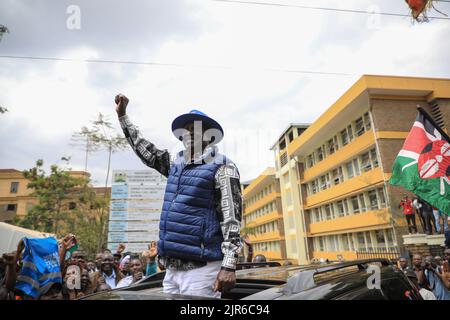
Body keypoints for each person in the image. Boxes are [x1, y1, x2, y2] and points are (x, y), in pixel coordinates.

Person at [115, 94, 243, 298]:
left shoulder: (223, 167)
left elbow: (232, 220)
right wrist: (123, 117)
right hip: (171, 268)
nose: (191, 132)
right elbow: (144, 150)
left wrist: (229, 265)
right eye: (187, 129)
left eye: (197, 129)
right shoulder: (175, 164)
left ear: (209, 137)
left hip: (203, 269)